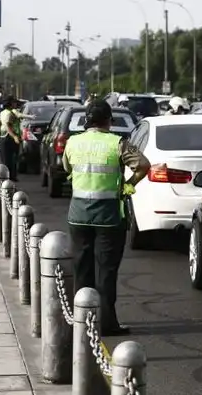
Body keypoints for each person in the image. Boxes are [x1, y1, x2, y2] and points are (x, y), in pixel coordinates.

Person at [62, 99, 151, 336]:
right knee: (106, 270)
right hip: (109, 217)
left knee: (82, 269)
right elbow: (143, 165)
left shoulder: (73, 142)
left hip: (78, 217)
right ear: (108, 121)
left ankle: (81, 319)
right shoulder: (118, 143)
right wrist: (129, 184)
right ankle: (107, 323)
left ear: (87, 122)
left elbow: (68, 168)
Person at [0, 96, 27, 181]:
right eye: (14, 102)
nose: (16, 104)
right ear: (10, 104)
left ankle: (7, 179)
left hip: (3, 138)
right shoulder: (10, 113)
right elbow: (8, 126)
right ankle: (11, 178)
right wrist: (15, 136)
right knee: (13, 159)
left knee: (6, 160)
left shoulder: (2, 113)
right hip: (11, 138)